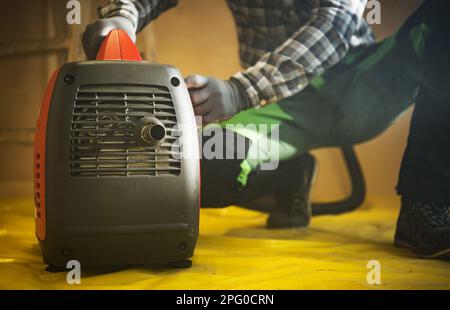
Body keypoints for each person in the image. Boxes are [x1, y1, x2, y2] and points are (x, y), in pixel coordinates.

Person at [83, 0, 450, 259]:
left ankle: (427, 203)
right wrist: (123, 17)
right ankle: (289, 177)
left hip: (362, 83)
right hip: (278, 109)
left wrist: (240, 90)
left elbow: (336, 22)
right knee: (191, 171)